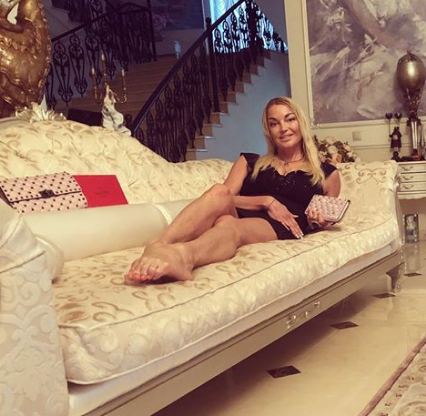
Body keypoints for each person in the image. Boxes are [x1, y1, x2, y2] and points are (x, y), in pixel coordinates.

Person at [125, 96, 341, 284]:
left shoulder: (327, 173)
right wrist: (265, 201)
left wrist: (319, 221)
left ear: (301, 122)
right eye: (274, 123)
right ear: (269, 131)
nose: (283, 128)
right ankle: (159, 245)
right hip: (241, 211)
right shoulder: (250, 161)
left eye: (289, 119)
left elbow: (324, 218)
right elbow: (228, 198)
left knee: (229, 224)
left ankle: (183, 257)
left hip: (280, 224)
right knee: (219, 191)